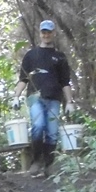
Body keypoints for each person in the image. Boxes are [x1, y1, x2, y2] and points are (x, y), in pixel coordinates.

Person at [12, 19, 75, 177]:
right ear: (40, 34)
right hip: (35, 98)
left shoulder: (60, 57)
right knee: (38, 126)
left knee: (52, 132)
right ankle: (36, 161)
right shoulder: (31, 55)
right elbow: (23, 79)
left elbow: (65, 82)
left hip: (54, 98)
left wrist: (69, 102)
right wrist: (16, 96)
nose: (46, 35)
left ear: (54, 33)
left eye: (49, 32)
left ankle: (49, 164)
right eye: (44, 32)